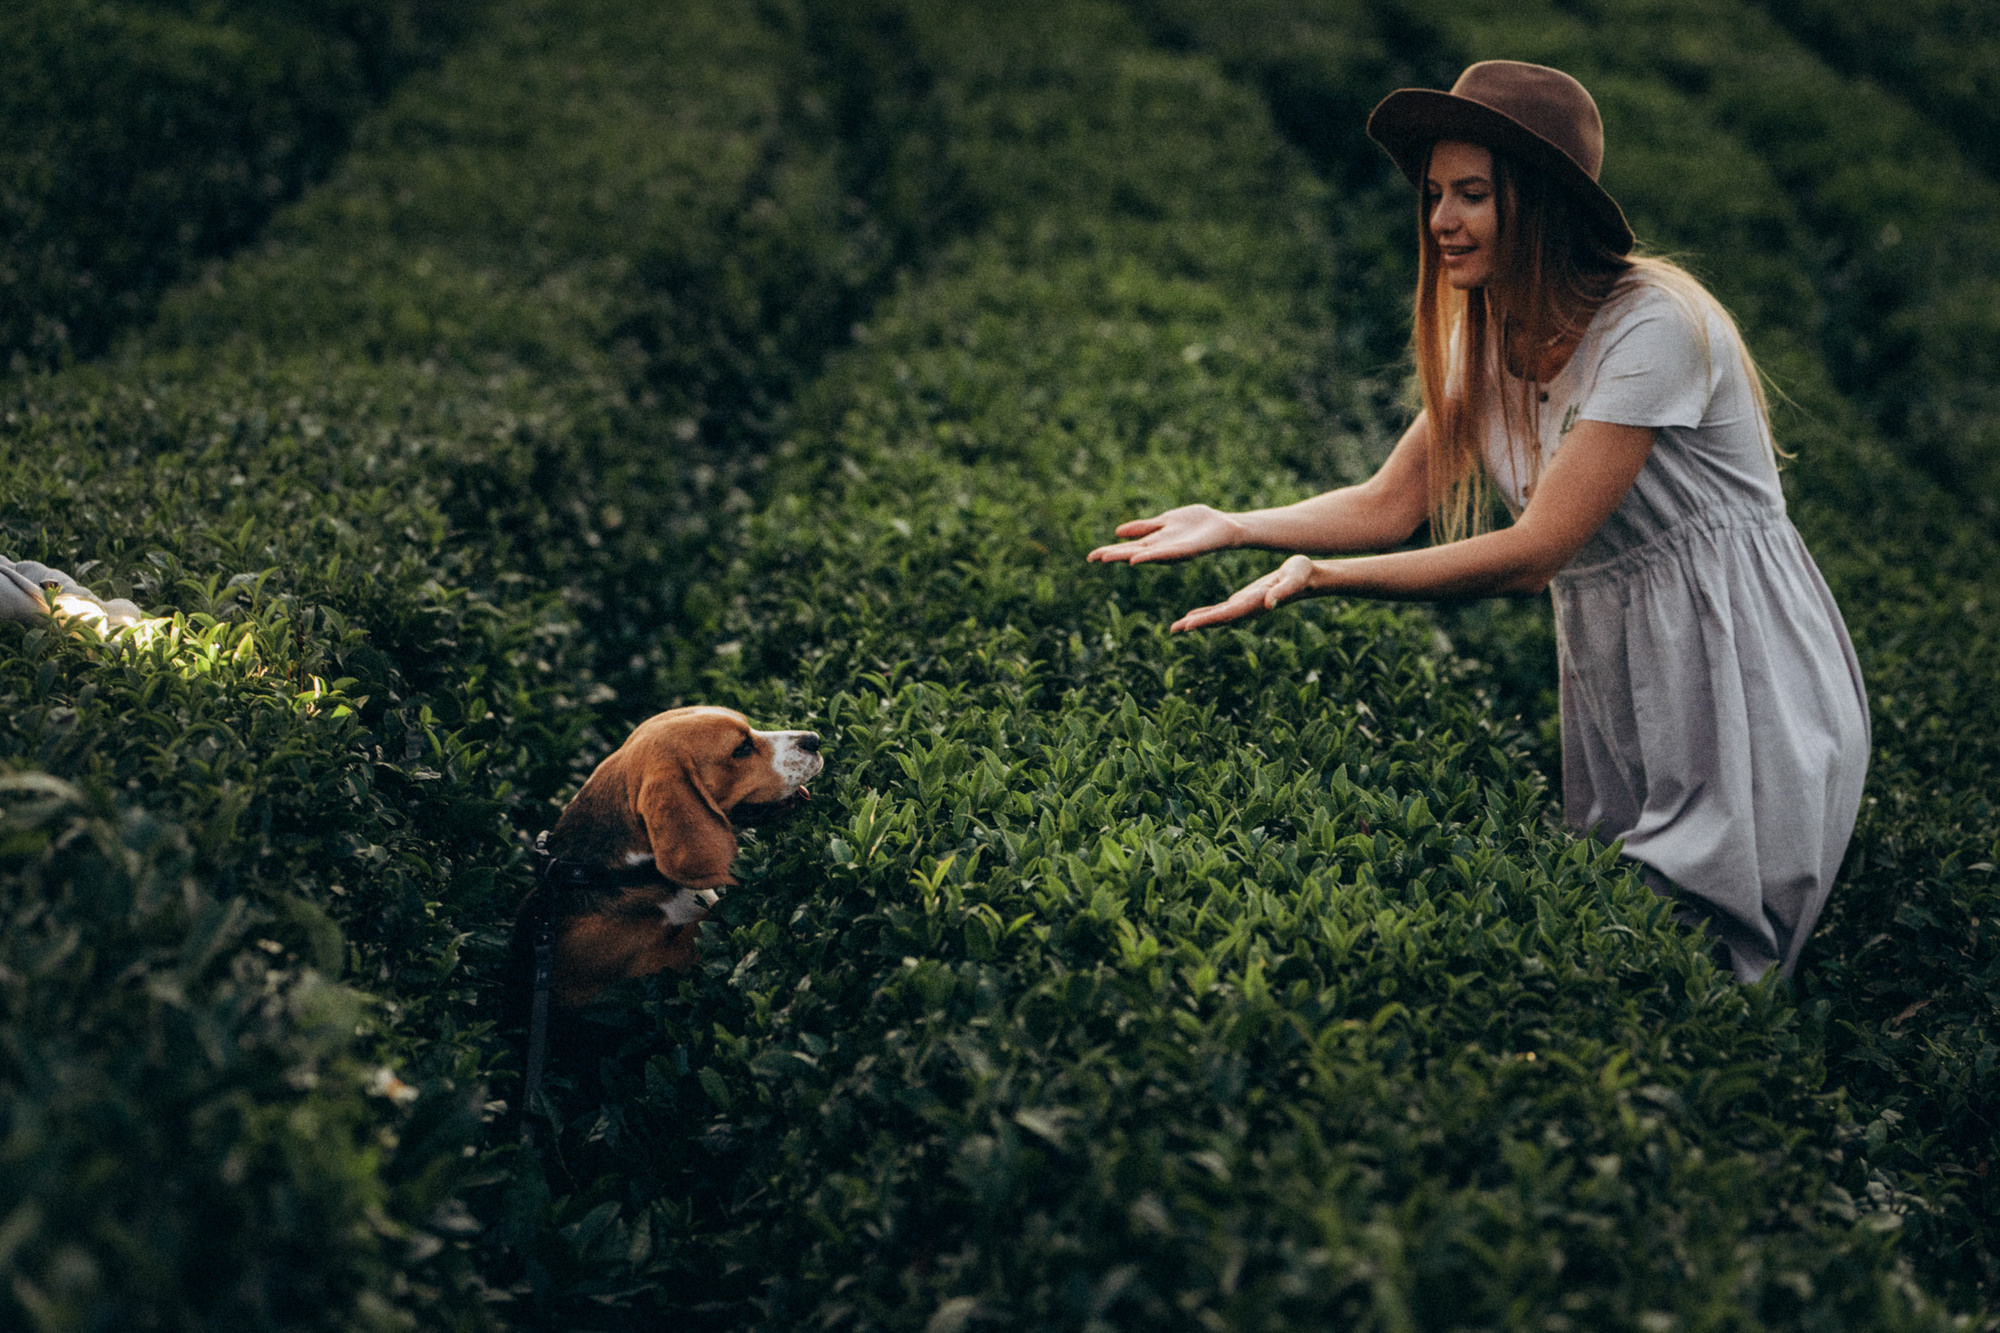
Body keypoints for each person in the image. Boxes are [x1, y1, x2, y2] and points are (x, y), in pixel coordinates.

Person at [1087, 61, 1870, 983]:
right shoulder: (1490, 335)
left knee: (1699, 968)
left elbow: (1535, 552)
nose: (1440, 221)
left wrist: (1320, 576)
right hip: (1631, 679)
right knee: (1627, 949)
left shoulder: (1654, 328)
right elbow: (1391, 502)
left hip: (1743, 675)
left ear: (1535, 203)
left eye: (1470, 195)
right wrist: (1235, 523)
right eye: (1432, 195)